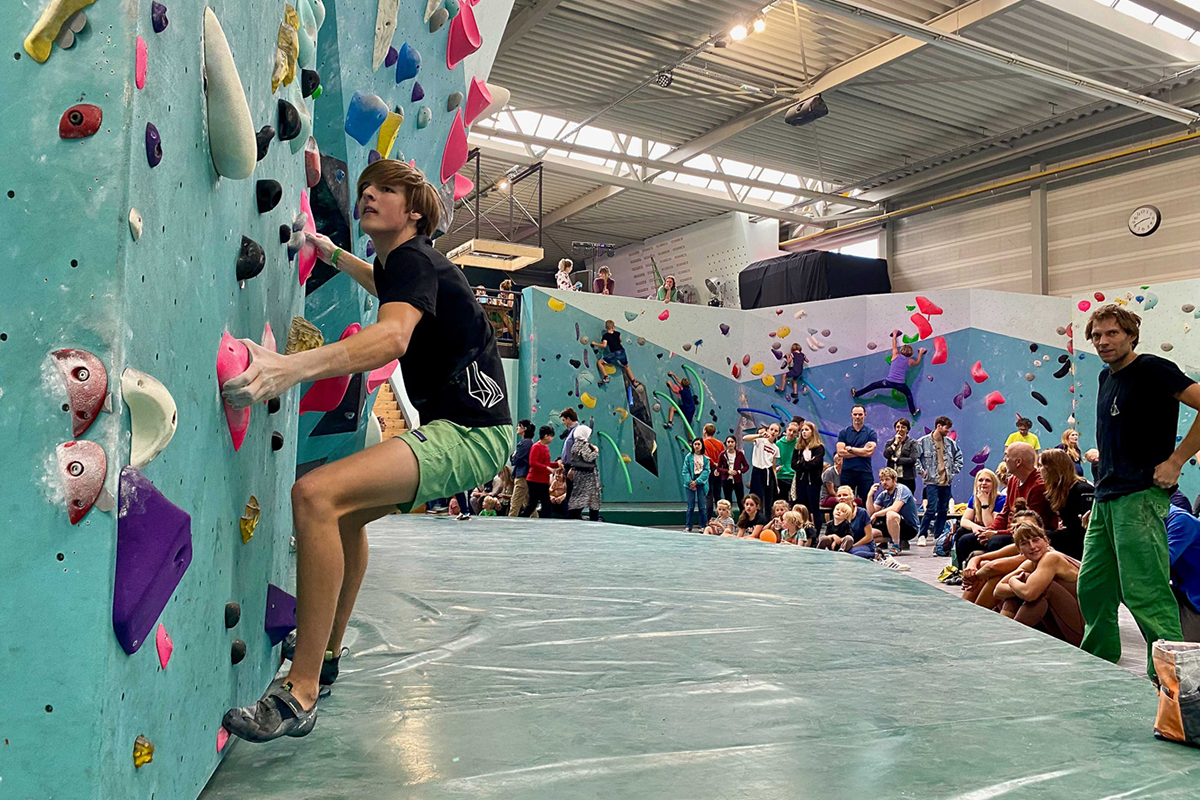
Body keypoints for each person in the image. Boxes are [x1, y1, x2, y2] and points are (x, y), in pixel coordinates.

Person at [221, 159, 512, 742]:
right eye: (365, 189)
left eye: (386, 189)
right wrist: (327, 252)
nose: (369, 195)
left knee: (315, 495)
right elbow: (382, 286)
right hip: (473, 429)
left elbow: (391, 336)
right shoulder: (406, 266)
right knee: (344, 515)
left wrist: (289, 369)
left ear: (415, 209)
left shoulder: (413, 258)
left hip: (472, 433)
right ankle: (325, 658)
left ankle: (299, 693)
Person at [1079, 305, 1199, 676]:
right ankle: (1097, 663)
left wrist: (1177, 461)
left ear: (1131, 335)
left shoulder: (1152, 369)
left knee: (1145, 592)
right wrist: (1098, 497)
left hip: (1141, 496)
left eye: (1112, 333)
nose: (1103, 342)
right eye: (1097, 335)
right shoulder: (1105, 378)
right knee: (1093, 587)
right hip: (1107, 497)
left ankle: (1173, 681)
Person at [956, 442, 1056, 567]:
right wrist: (989, 531)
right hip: (1008, 531)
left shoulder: (1038, 487)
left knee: (995, 542)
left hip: (1023, 534)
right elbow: (1004, 513)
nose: (1004, 459)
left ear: (1018, 462)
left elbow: (1030, 527)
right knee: (964, 539)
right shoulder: (1013, 480)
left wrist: (996, 534)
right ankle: (966, 575)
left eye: (1007, 456)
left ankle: (993, 576)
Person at [992, 516, 1084, 646]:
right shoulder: (1031, 563)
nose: (1032, 546)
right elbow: (997, 590)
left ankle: (1009, 638)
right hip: (1061, 625)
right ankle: (1006, 634)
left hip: (1082, 631)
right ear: (1019, 550)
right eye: (1024, 543)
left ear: (1046, 541)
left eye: (1035, 540)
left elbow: (1029, 594)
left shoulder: (1051, 558)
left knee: (1041, 588)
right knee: (1022, 584)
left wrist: (1013, 581)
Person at [851, 330, 925, 417]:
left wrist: (894, 335)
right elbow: (917, 363)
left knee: (873, 386)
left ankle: (856, 394)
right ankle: (913, 411)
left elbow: (894, 344)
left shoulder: (895, 355)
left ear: (901, 351)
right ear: (910, 354)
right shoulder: (910, 361)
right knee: (908, 394)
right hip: (900, 384)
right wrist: (920, 353)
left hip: (888, 382)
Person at [1039, 447, 1094, 559]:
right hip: (1069, 539)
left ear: (1051, 468)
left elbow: (1081, 531)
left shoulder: (1082, 490)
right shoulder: (1059, 491)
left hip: (1080, 545)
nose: (1038, 470)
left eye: (1040, 466)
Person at [915, 416, 963, 547]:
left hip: (946, 481)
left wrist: (954, 471)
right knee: (931, 508)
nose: (948, 431)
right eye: (946, 428)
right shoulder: (923, 442)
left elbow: (959, 456)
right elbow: (915, 458)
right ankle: (923, 534)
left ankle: (938, 536)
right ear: (939, 426)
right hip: (931, 481)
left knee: (943, 509)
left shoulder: (950, 443)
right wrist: (922, 471)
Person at [954, 468, 1007, 564]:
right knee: (961, 531)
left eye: (988, 480)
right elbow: (964, 520)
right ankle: (960, 569)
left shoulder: (1001, 500)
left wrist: (984, 503)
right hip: (980, 531)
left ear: (994, 484)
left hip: (994, 533)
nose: (983, 483)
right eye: (980, 480)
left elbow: (990, 525)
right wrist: (975, 527)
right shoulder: (974, 498)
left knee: (964, 540)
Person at [868, 468, 921, 555]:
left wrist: (876, 514)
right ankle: (889, 540)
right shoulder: (883, 495)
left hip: (910, 528)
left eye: (887, 479)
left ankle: (896, 546)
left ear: (894, 480)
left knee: (891, 514)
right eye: (882, 480)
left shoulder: (902, 489)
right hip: (892, 528)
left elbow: (895, 508)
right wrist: (870, 495)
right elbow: (871, 512)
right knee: (866, 536)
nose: (884, 482)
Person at [836, 405, 877, 505]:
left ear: (865, 415)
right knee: (845, 502)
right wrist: (862, 451)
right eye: (855, 414)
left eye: (860, 414)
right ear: (851, 416)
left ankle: (867, 520)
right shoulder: (844, 433)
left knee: (867, 501)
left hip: (865, 472)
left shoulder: (870, 433)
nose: (857, 417)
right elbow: (840, 452)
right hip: (847, 472)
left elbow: (869, 452)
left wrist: (850, 449)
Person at [791, 421, 826, 528]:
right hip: (801, 481)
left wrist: (802, 464)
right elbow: (793, 464)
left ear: (812, 432)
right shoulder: (798, 448)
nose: (804, 433)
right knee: (802, 506)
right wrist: (805, 464)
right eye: (802, 430)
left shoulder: (819, 448)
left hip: (813, 482)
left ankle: (816, 532)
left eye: (807, 430)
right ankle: (802, 529)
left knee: (814, 508)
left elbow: (815, 464)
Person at [567, 425, 601, 521]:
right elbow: (588, 457)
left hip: (579, 475)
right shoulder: (584, 445)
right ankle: (594, 518)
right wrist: (596, 451)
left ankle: (573, 515)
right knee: (592, 499)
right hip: (588, 477)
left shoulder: (575, 445)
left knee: (579, 496)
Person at [744, 423, 781, 509]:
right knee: (756, 496)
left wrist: (776, 484)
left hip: (768, 473)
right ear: (768, 430)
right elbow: (745, 438)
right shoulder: (760, 440)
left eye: (776, 431)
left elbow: (774, 467)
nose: (773, 432)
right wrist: (759, 435)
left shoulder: (776, 448)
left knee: (768, 498)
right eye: (771, 429)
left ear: (778, 434)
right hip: (758, 471)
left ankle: (766, 519)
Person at [594, 319, 639, 387]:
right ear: (613, 327)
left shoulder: (606, 336)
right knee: (626, 366)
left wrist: (595, 343)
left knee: (599, 362)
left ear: (606, 328)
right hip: (622, 351)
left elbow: (604, 345)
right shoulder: (617, 333)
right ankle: (634, 381)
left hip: (616, 353)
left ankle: (606, 377)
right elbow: (620, 340)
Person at [522, 425, 554, 517]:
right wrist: (546, 468)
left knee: (545, 503)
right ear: (546, 436)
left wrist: (556, 464)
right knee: (533, 503)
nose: (552, 438)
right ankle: (524, 518)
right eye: (551, 436)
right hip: (534, 479)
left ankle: (543, 519)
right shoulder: (536, 447)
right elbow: (533, 462)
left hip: (543, 480)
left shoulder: (546, 447)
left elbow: (546, 463)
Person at [553, 408, 581, 509]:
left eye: (564, 420)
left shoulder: (577, 431)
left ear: (569, 419)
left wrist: (573, 467)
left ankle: (573, 513)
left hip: (572, 466)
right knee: (569, 491)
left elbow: (577, 450)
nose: (564, 423)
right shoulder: (570, 431)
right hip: (567, 465)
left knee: (573, 492)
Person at [883, 417, 919, 494]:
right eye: (898, 427)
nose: (900, 429)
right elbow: (886, 455)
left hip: (907, 478)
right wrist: (895, 443)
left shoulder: (912, 443)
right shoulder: (890, 442)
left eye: (903, 427)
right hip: (893, 478)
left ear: (907, 430)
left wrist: (897, 460)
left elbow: (912, 459)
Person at [682, 437, 711, 532]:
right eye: (695, 444)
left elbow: (706, 471)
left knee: (702, 506)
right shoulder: (688, 457)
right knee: (690, 506)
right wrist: (690, 482)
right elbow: (685, 471)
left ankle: (703, 525)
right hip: (690, 482)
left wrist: (697, 481)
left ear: (702, 445)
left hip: (701, 483)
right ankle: (688, 526)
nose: (697, 446)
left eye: (699, 444)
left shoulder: (706, 459)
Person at [714, 435, 749, 507]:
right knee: (728, 500)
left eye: (732, 442)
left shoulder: (739, 454)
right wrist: (727, 471)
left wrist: (739, 471)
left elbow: (746, 466)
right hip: (726, 480)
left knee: (740, 500)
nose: (730, 444)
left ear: (735, 443)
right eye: (728, 442)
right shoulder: (722, 454)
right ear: (726, 443)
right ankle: (728, 517)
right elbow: (719, 468)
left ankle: (742, 517)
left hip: (737, 480)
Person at [701, 424, 727, 519]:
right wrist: (718, 465)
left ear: (705, 431)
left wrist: (714, 463)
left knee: (709, 494)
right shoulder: (720, 443)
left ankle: (707, 519)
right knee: (718, 494)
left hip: (709, 469)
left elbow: (706, 456)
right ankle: (720, 518)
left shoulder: (703, 443)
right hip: (719, 470)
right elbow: (724, 456)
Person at [508, 420, 533, 517]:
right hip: (524, 474)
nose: (517, 428)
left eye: (519, 426)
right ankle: (535, 519)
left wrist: (513, 456)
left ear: (524, 429)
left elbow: (515, 460)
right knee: (527, 502)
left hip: (522, 475)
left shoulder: (525, 443)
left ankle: (511, 521)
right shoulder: (528, 442)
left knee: (515, 502)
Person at [775, 420, 801, 506]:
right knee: (782, 501)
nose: (791, 433)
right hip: (781, 475)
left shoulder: (799, 444)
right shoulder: (778, 444)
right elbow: (776, 459)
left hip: (794, 476)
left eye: (794, 432)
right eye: (790, 430)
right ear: (786, 430)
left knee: (795, 501)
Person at [820, 454, 842, 519]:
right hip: (827, 498)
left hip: (839, 496)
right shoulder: (829, 472)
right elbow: (831, 492)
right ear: (838, 461)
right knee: (844, 500)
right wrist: (842, 497)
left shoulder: (845, 473)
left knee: (857, 501)